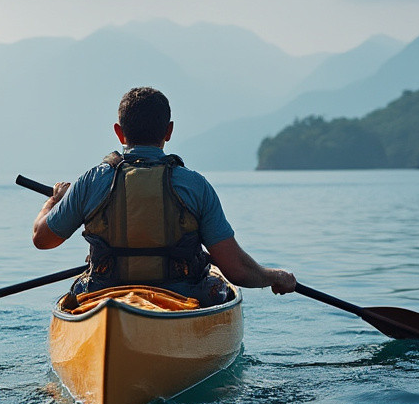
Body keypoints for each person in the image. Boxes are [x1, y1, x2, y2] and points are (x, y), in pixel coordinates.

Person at [32, 86, 296, 305]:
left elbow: (42, 239)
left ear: (119, 132)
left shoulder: (90, 182)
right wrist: (273, 276)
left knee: (77, 291)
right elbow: (237, 271)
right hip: (181, 298)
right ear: (168, 131)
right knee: (219, 287)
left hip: (104, 296)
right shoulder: (195, 186)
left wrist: (54, 201)